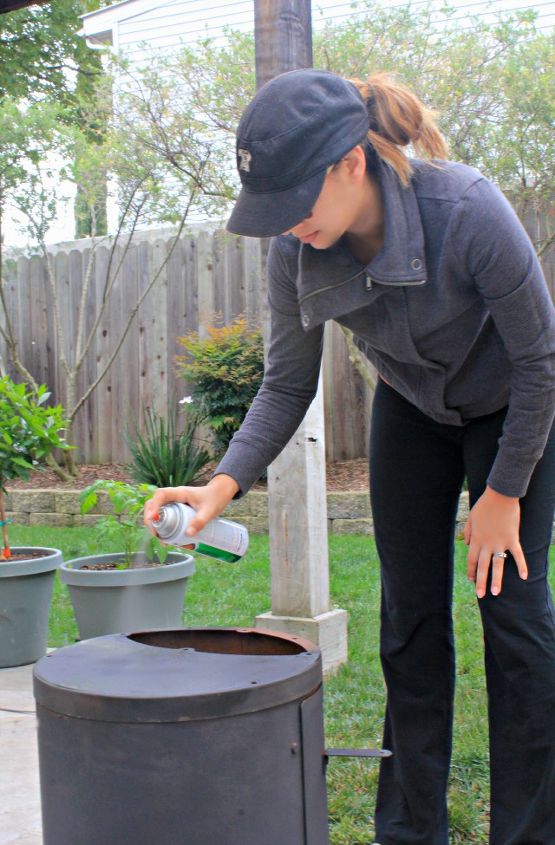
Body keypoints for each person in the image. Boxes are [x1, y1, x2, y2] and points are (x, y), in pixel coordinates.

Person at [144, 69, 555, 844]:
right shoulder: (295, 251)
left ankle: (530, 830)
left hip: (513, 410)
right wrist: (220, 486)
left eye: (293, 202)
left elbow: (541, 362)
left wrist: (502, 494)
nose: (285, 225)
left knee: (514, 620)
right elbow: (286, 383)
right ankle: (408, 830)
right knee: (408, 620)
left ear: (349, 164)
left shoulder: (465, 208)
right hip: (409, 408)